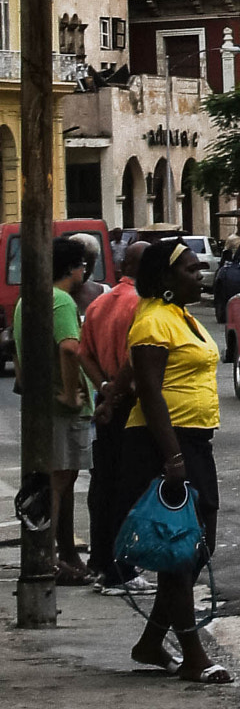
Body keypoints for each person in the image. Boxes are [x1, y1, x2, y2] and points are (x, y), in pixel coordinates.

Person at [118, 237, 231, 683]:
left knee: (199, 548)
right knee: (180, 554)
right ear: (164, 278)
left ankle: (151, 642)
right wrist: (173, 458)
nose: (198, 274)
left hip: (193, 443)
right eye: (188, 269)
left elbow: (129, 376)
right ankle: (193, 656)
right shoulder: (152, 321)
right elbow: (148, 389)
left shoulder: (178, 316)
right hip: (162, 445)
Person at [11, 234, 94, 585]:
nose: (85, 272)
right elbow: (70, 348)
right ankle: (48, 557)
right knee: (58, 481)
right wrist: (73, 393)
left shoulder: (28, 298)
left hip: (43, 401)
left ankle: (65, 552)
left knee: (63, 478)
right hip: (61, 408)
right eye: (83, 265)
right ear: (73, 268)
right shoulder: (60, 300)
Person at [80, 239, 151, 596]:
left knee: (103, 483)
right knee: (128, 485)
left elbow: (83, 353)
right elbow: (135, 358)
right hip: (130, 404)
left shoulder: (98, 304)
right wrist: (117, 391)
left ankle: (101, 562)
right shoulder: (141, 304)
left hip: (105, 398)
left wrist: (103, 388)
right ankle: (121, 568)